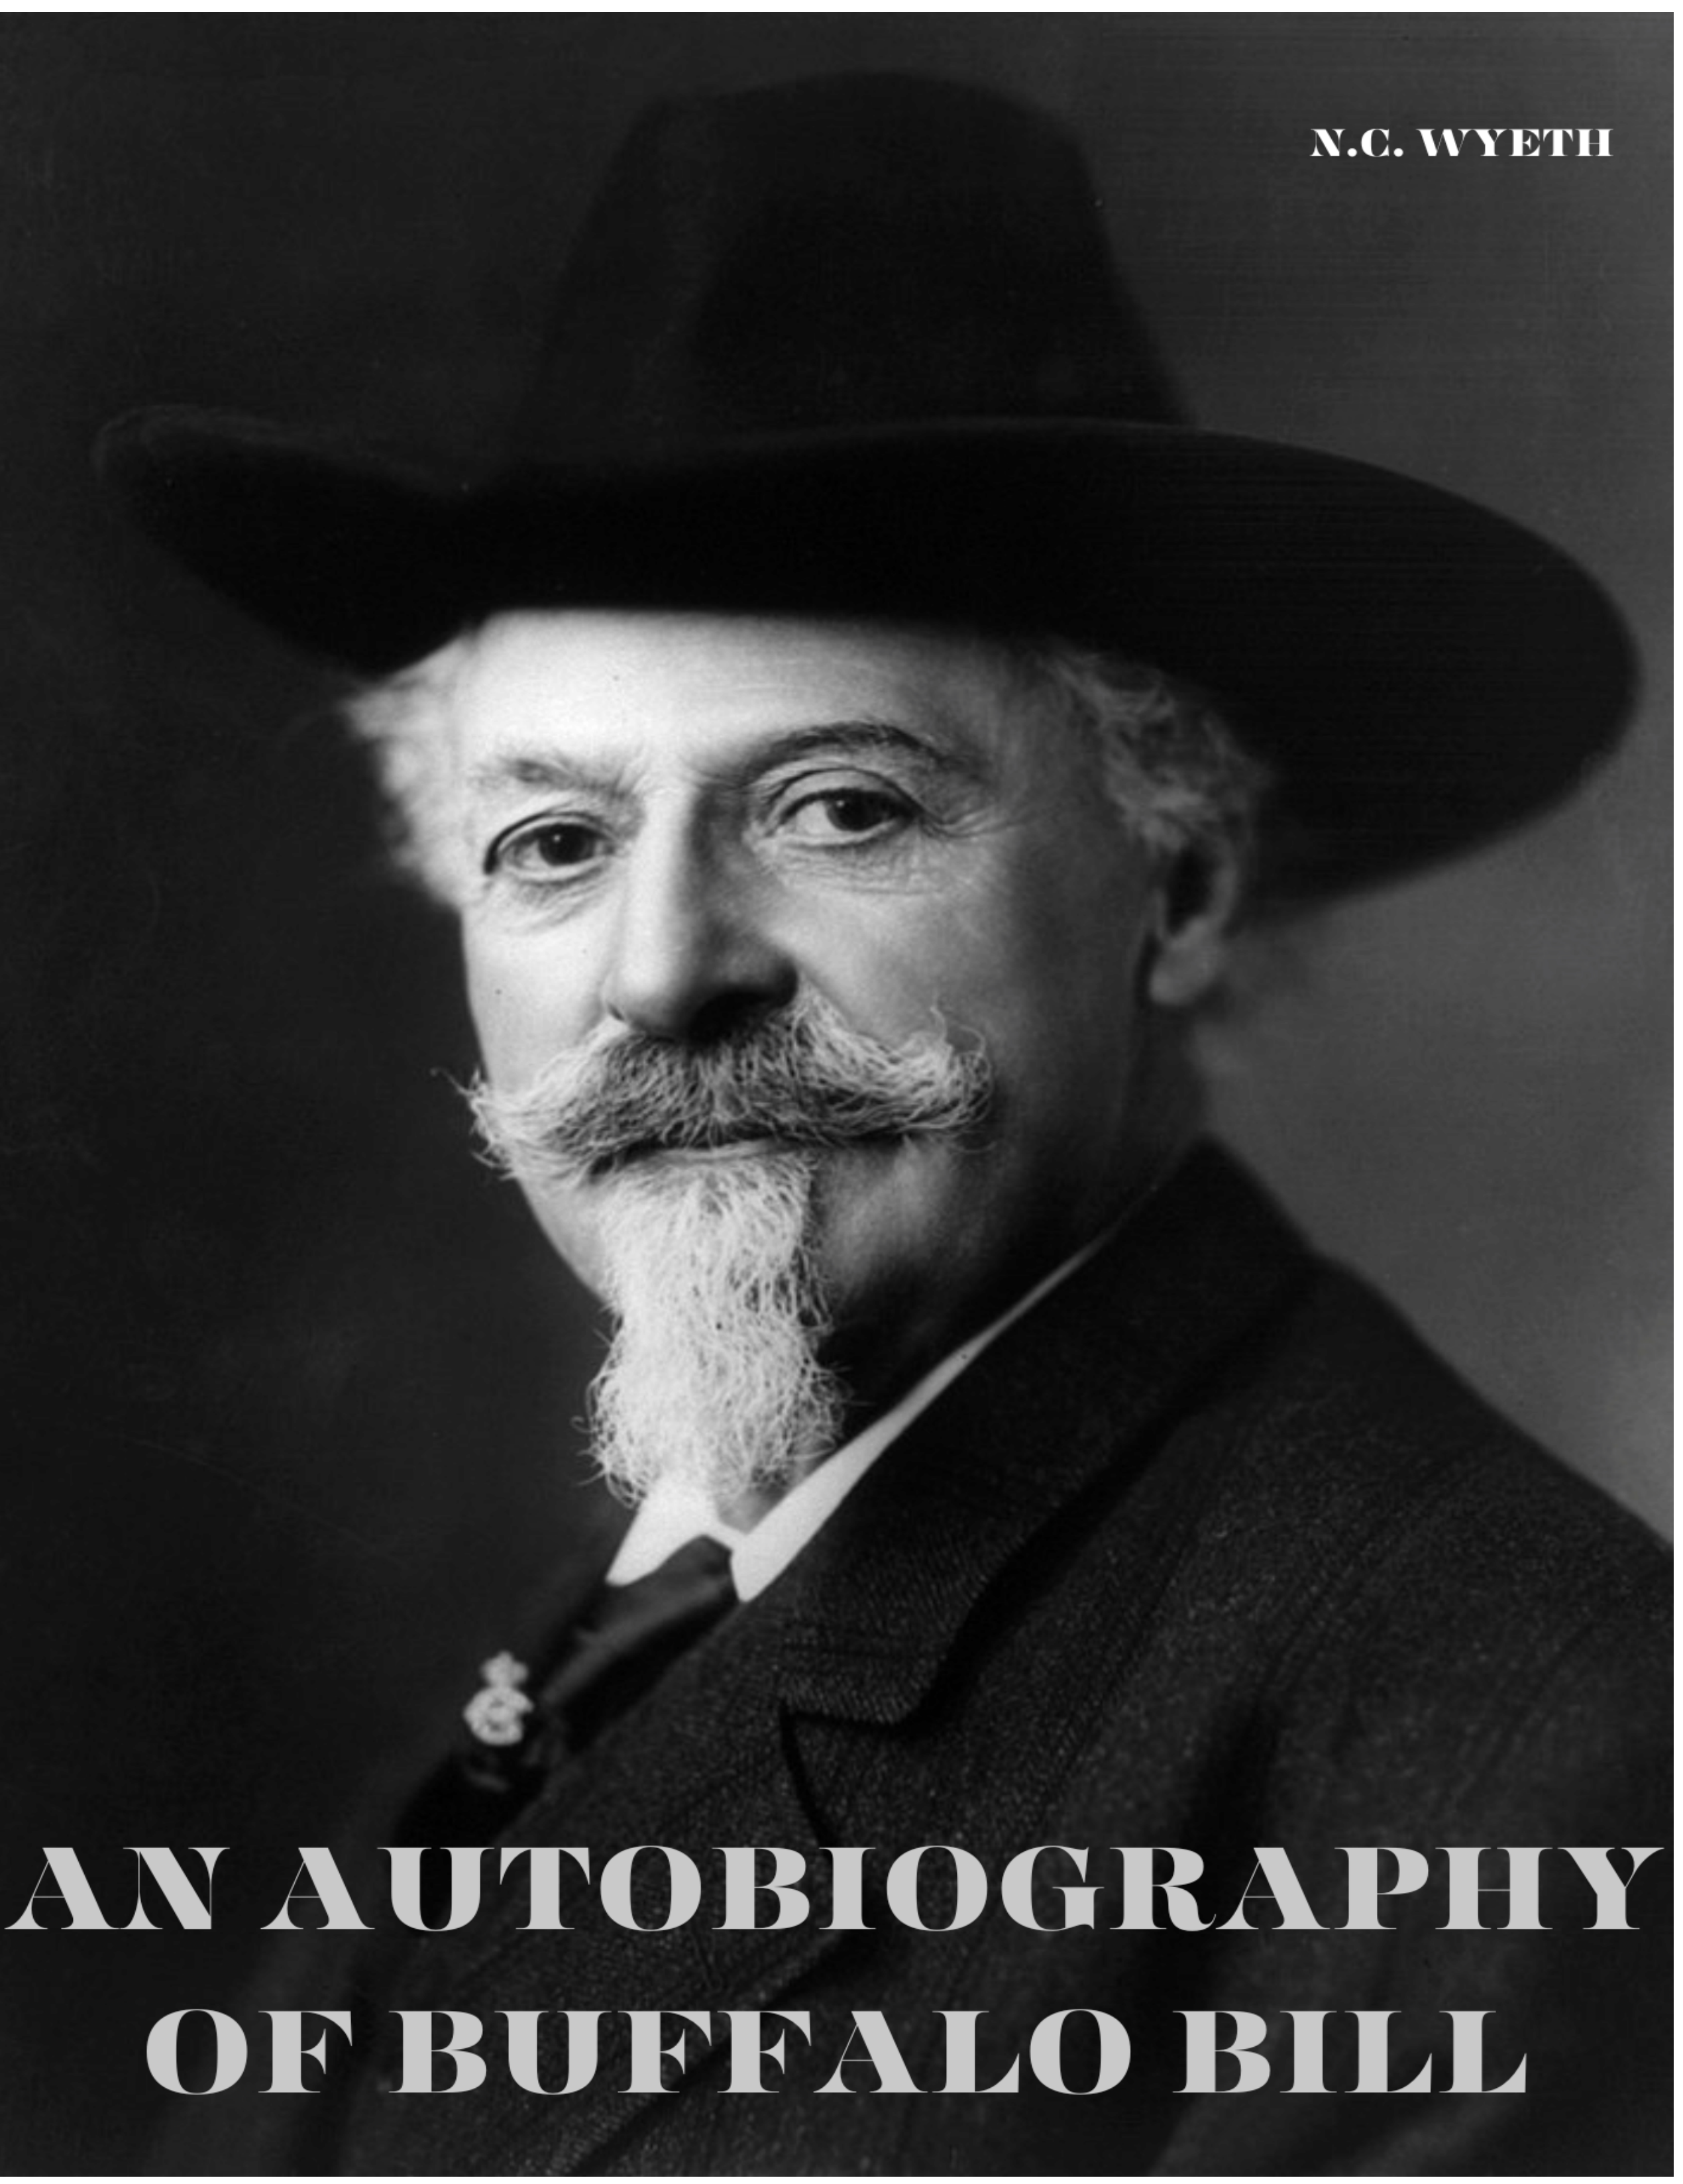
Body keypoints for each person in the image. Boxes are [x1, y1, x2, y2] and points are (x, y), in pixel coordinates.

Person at [101, 72, 1666, 2179]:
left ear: (1181, 882)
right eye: (554, 841)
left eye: (837, 809)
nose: (662, 971)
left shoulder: (1531, 1747)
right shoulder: (644, 1621)